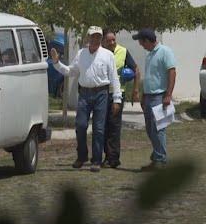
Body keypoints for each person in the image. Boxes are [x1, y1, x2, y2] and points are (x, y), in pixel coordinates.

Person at [51, 26, 122, 172]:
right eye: (93, 36)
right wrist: (57, 63)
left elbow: (114, 78)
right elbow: (71, 71)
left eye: (98, 37)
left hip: (102, 93)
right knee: (81, 125)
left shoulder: (108, 55)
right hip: (84, 94)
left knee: (99, 128)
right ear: (88, 38)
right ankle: (82, 156)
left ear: (101, 39)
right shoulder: (81, 54)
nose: (95, 39)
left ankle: (96, 160)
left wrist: (117, 99)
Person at [132, 28, 177, 172]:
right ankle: (157, 156)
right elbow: (151, 77)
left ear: (147, 40)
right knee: (150, 129)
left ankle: (160, 160)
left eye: (141, 41)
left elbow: (172, 71)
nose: (140, 44)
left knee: (159, 129)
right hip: (149, 97)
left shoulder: (165, 51)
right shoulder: (150, 54)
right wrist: (144, 95)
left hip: (160, 96)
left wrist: (168, 94)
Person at [101, 29, 141, 168]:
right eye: (109, 40)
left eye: (114, 40)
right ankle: (106, 155)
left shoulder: (123, 51)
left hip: (118, 94)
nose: (112, 42)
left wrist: (135, 90)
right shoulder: (100, 53)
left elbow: (136, 70)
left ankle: (113, 158)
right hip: (101, 94)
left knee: (114, 125)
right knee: (103, 125)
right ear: (103, 41)